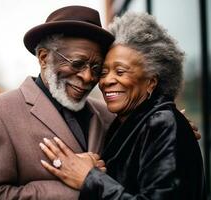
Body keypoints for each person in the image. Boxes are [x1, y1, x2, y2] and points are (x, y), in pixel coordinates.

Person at [40, 12, 207, 200]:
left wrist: (89, 178)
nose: (107, 81)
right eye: (103, 72)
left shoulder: (163, 123)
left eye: (120, 71)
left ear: (151, 81)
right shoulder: (125, 123)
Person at [0, 5, 116, 200]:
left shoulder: (108, 115)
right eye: (77, 64)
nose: (88, 77)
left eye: (96, 68)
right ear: (44, 58)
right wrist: (85, 186)